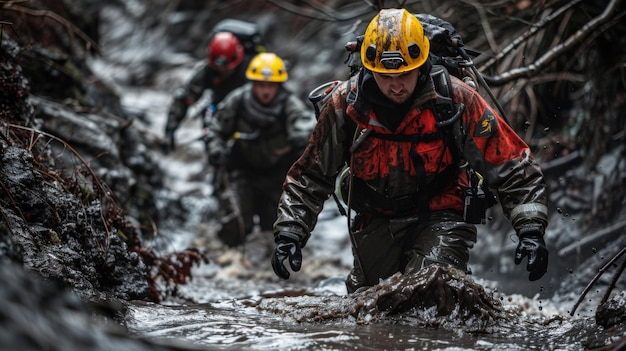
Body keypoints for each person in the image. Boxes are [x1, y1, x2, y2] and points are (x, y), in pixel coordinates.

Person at [270, 8, 549, 293]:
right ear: (370, 69)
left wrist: (530, 229)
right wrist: (290, 233)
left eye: (404, 74)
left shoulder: (456, 99)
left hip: (442, 214)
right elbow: (311, 176)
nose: (396, 86)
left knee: (430, 289)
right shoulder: (345, 105)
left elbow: (512, 164)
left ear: (421, 64)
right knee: (369, 305)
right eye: (385, 76)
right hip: (377, 217)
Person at [204, 52, 316, 247]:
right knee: (236, 226)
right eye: (261, 85)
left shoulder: (289, 104)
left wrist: (301, 137)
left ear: (278, 86)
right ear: (253, 83)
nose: (265, 91)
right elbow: (215, 128)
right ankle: (229, 258)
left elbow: (305, 124)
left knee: (274, 232)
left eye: (270, 86)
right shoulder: (237, 101)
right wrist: (216, 148)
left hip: (277, 178)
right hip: (243, 173)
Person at [164, 31, 253, 151]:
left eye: (226, 69)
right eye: (218, 69)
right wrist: (170, 131)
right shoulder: (207, 73)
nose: (222, 72)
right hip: (217, 125)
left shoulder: (250, 72)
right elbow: (184, 99)